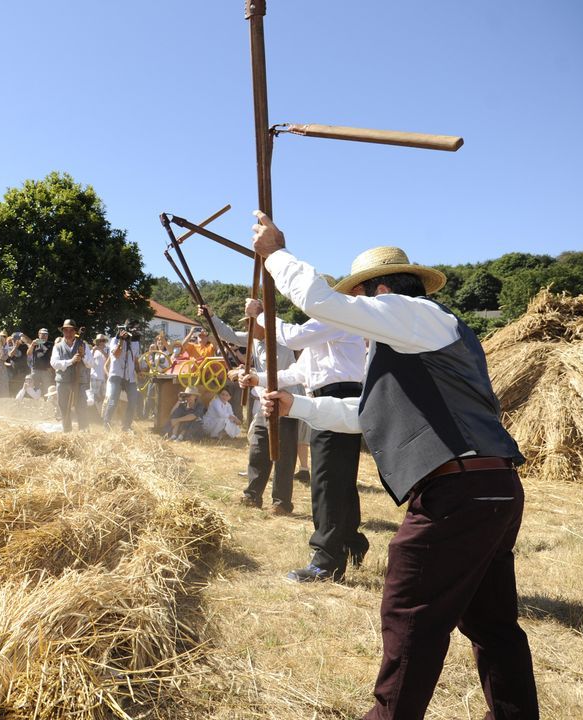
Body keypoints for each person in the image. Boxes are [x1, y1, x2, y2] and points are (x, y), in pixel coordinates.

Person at [252, 212, 537, 719]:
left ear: (377, 291)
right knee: (491, 624)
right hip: (488, 490)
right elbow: (368, 416)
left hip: (459, 495)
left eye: (359, 303)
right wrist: (299, 408)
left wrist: (275, 253)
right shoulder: (418, 338)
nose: (356, 318)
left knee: (410, 616)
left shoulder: (413, 314)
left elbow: (320, 302)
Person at [245, 292, 370, 582]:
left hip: (339, 399)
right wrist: (258, 379)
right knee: (338, 480)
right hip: (327, 401)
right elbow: (297, 373)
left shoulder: (336, 315)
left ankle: (326, 560)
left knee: (326, 481)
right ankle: (352, 541)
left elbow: (291, 338)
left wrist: (260, 313)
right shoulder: (321, 328)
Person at [213, 310, 300, 516]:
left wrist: (247, 374)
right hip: (264, 401)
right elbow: (229, 334)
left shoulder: (282, 342)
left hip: (285, 402)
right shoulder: (254, 339)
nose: (248, 328)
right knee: (258, 448)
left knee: (284, 455)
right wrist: (211, 315)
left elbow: (276, 374)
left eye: (252, 323)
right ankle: (252, 495)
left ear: (264, 323)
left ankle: (281, 503)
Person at [49, 319, 89, 432]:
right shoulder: (57, 346)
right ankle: (67, 432)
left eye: (71, 330)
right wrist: (71, 361)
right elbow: (54, 363)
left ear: (75, 331)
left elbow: (91, 364)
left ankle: (84, 431)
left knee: (81, 407)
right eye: (66, 330)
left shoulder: (83, 345)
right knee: (64, 408)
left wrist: (83, 355)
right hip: (63, 381)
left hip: (79, 381)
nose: (68, 333)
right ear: (63, 332)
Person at [103, 326, 141, 431]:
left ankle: (126, 426)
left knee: (133, 401)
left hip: (130, 377)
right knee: (113, 401)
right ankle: (106, 424)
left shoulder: (136, 343)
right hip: (116, 375)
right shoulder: (114, 341)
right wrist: (121, 340)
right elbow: (116, 354)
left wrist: (139, 371)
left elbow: (136, 360)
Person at [29, 328, 54, 393]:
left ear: (48, 336)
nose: (44, 336)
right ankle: (35, 400)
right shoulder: (35, 343)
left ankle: (47, 401)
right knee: (34, 387)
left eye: (46, 334)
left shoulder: (51, 344)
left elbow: (54, 357)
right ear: (38, 335)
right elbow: (28, 353)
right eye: (42, 334)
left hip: (46, 370)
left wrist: (51, 367)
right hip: (35, 369)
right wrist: (32, 345)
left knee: (47, 387)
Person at [87, 334, 108, 407]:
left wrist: (102, 350)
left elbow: (109, 360)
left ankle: (102, 415)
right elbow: (88, 361)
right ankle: (94, 415)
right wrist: (94, 350)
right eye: (99, 340)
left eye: (103, 340)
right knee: (94, 397)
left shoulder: (107, 349)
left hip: (105, 378)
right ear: (97, 341)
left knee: (104, 397)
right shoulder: (92, 350)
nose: (101, 342)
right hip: (94, 377)